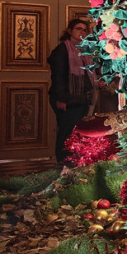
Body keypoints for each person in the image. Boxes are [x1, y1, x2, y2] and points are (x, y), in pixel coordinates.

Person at [48, 19, 97, 164]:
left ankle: (75, 162)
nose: (81, 32)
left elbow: (88, 73)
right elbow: (58, 75)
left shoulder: (85, 50)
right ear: (70, 31)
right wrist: (62, 98)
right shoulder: (63, 49)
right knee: (66, 131)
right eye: (78, 29)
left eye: (84, 30)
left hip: (81, 98)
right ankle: (63, 162)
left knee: (78, 131)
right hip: (67, 99)